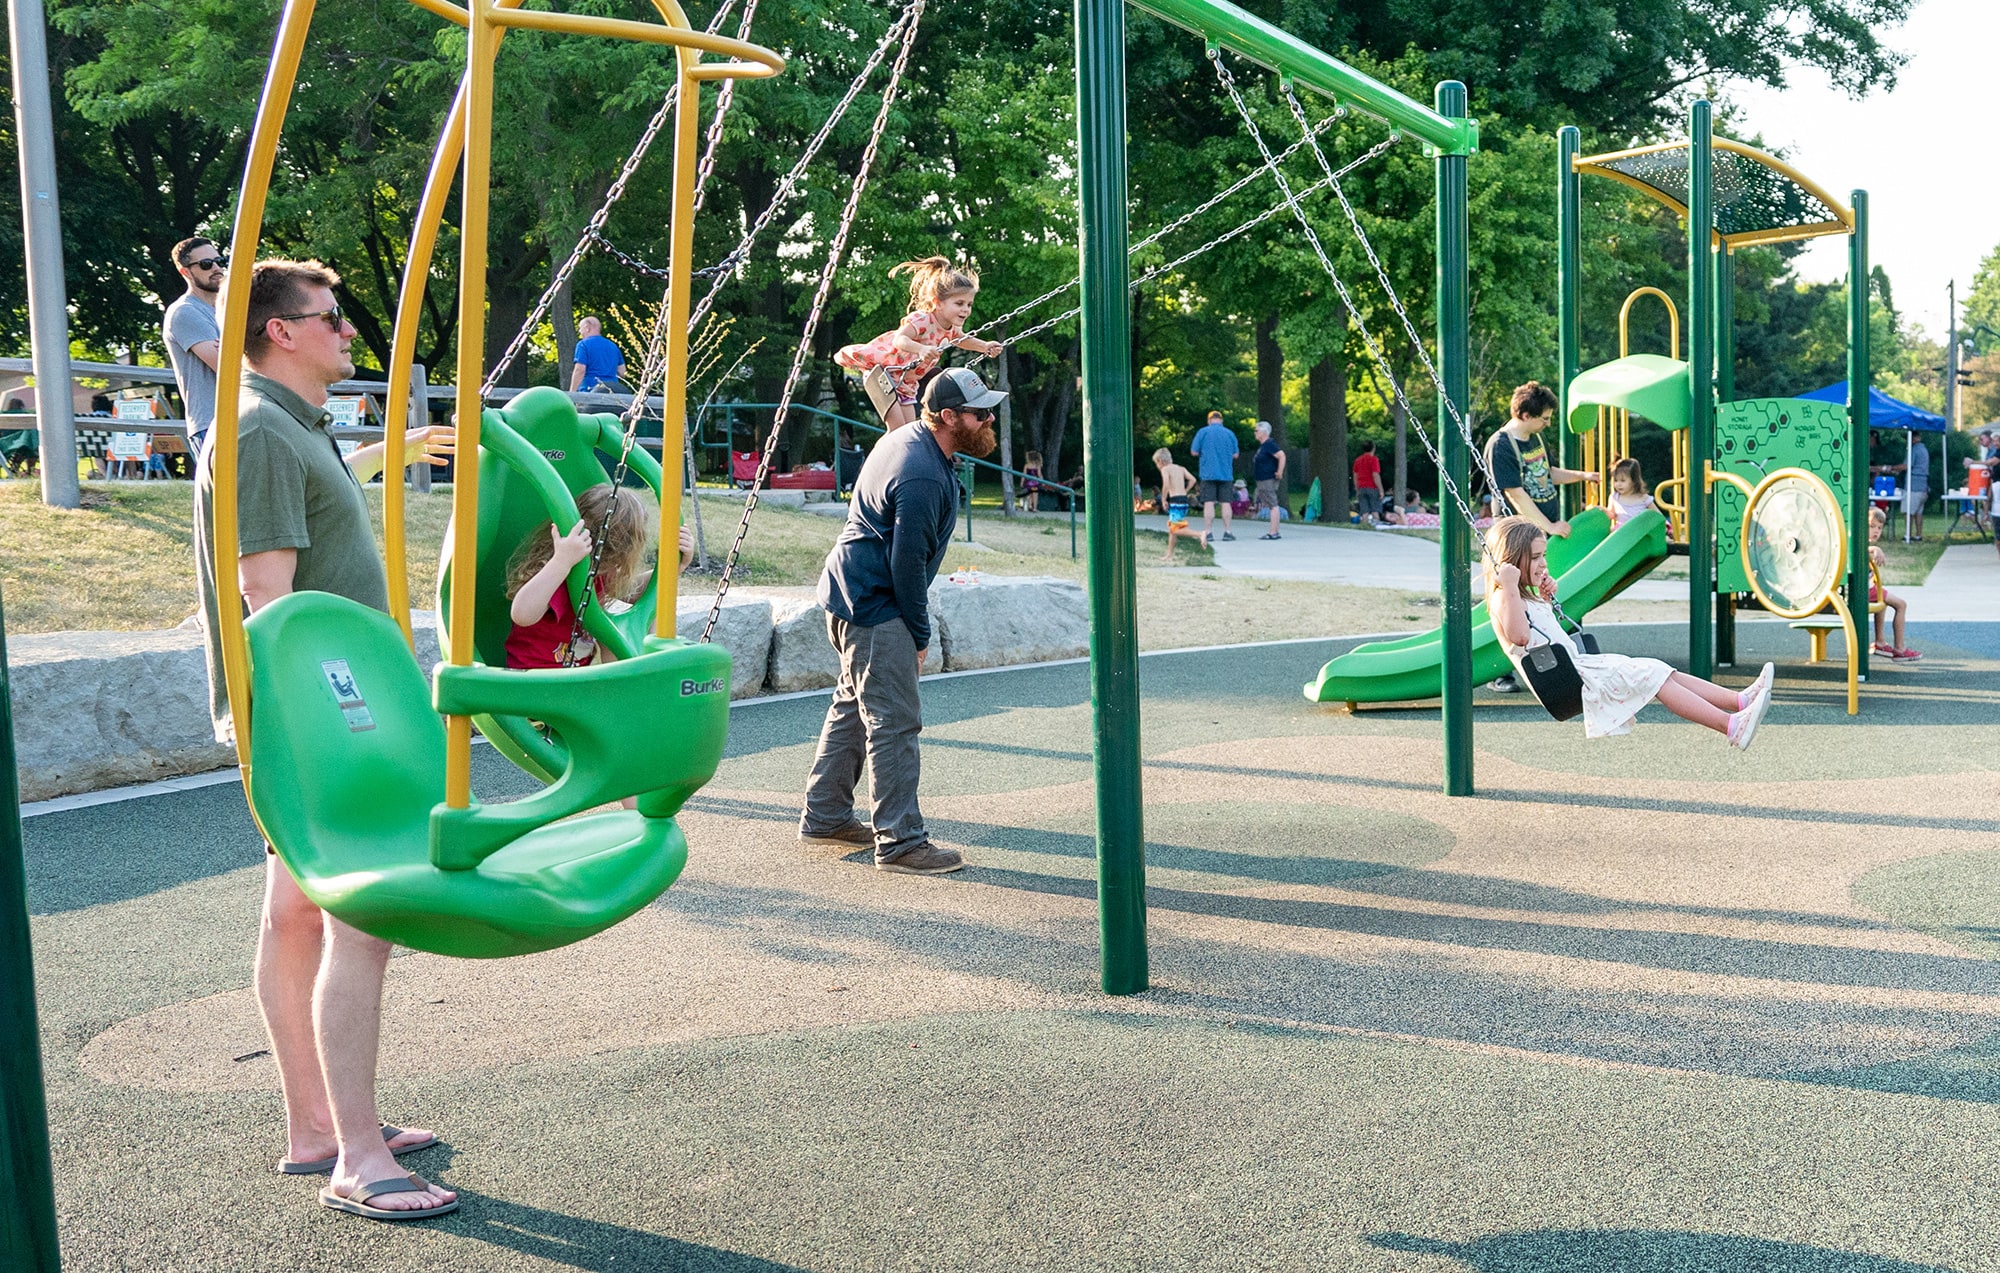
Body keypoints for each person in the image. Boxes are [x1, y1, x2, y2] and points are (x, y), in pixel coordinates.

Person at [191, 259, 459, 1221]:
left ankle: (317, 1125)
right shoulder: (260, 429)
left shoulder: (292, 427)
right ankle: (355, 1153)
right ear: (280, 332)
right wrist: (346, 724)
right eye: (331, 319)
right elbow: (271, 599)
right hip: (316, 721)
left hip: (319, 715)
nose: (350, 333)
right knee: (361, 916)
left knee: (298, 918)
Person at [798, 366, 1004, 873]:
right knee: (894, 721)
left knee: (853, 705)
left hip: (848, 593)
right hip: (876, 604)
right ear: (950, 417)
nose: (989, 418)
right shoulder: (922, 474)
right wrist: (918, 633)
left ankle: (824, 815)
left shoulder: (908, 436)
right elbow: (906, 564)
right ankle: (901, 842)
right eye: (980, 413)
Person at [1486, 517, 1773, 749]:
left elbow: (1546, 632)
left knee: (1661, 671)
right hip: (1574, 680)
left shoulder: (1525, 596)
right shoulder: (1503, 596)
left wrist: (1546, 599)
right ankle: (1731, 726)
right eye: (1535, 557)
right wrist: (1510, 586)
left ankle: (1739, 702)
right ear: (1510, 561)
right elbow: (1520, 637)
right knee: (1654, 678)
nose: (1544, 563)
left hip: (1583, 669)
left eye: (1543, 555)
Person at [1483, 382, 1592, 694]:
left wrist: (1582, 476)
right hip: (1516, 534)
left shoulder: (1535, 438)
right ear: (1526, 414)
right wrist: (1549, 525)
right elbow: (1516, 494)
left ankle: (1558, 658)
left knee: (1539, 598)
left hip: (1538, 532)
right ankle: (1502, 670)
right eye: (1544, 418)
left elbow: (1546, 473)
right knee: (1512, 597)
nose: (1548, 423)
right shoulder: (1502, 444)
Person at [834, 256, 1004, 430]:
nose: (966, 310)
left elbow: (962, 340)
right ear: (938, 303)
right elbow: (899, 339)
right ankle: (881, 457)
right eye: (959, 303)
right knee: (896, 429)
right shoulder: (923, 319)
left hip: (906, 382)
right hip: (884, 372)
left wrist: (984, 346)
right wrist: (921, 349)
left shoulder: (951, 328)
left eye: (969, 304)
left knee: (907, 430)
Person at [504, 483, 656, 669]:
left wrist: (671, 566)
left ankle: (625, 683)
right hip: (534, 678)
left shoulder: (598, 573)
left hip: (574, 679)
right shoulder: (555, 572)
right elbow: (521, 614)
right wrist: (561, 561)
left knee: (613, 636)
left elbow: (632, 590)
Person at [163, 236, 226, 455]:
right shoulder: (185, 312)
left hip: (246, 419)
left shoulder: (229, 312)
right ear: (185, 272)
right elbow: (228, 367)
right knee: (227, 491)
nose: (217, 268)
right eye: (206, 264)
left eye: (219, 260)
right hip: (212, 425)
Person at [1865, 506, 1920, 662]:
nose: (1876, 531)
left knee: (1882, 599)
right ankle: (1900, 649)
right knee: (1901, 604)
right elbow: (1863, 550)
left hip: (1869, 589)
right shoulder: (1862, 545)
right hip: (1865, 591)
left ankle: (1880, 642)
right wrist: (1875, 549)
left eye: (1880, 528)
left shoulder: (1863, 544)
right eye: (1871, 526)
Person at [1190, 410, 1238, 542]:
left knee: (1209, 503)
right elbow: (1235, 454)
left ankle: (1209, 532)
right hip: (1226, 473)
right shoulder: (1230, 434)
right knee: (1226, 503)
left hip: (1208, 473)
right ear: (1221, 420)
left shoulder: (1203, 432)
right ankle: (1227, 532)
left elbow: (1194, 452)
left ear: (1209, 420)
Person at [1154, 447, 1201, 562]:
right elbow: (1193, 480)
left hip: (1175, 502)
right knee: (1172, 529)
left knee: (1175, 529)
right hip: (1183, 501)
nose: (1157, 466)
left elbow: (1165, 484)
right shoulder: (1181, 468)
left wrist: (1164, 499)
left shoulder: (1165, 469)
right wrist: (1186, 490)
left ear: (1160, 461)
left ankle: (1200, 534)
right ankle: (1169, 555)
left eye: (1156, 463)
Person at [569, 316, 626, 393]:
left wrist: (572, 393)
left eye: (580, 328)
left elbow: (580, 370)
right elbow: (622, 372)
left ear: (587, 328)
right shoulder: (613, 346)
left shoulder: (583, 345)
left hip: (590, 391)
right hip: (613, 391)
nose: (579, 331)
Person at [1251, 421, 1287, 539]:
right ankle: (1274, 531)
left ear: (1263, 432)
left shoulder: (1269, 444)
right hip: (1262, 479)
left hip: (1267, 478)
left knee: (1273, 505)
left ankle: (1273, 532)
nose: (1254, 433)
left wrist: (1279, 472)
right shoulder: (1264, 446)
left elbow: (1281, 455)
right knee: (1271, 504)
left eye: (1256, 431)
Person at [1604, 457, 1655, 528]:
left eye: (1623, 480)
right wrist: (1603, 510)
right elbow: (1611, 514)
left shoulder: (1644, 498)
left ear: (1634, 481)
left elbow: (1658, 516)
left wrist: (1667, 528)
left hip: (1639, 532)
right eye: (1616, 480)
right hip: (1621, 532)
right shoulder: (1615, 497)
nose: (1618, 484)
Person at [1903, 434, 1929, 541]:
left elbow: (1906, 466)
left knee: (1908, 511)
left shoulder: (1914, 450)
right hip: (1923, 485)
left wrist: (1891, 467)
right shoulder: (1924, 449)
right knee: (1919, 512)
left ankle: (1908, 535)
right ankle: (1918, 535)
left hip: (1913, 486)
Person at [1352, 439, 1383, 526]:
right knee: (1375, 510)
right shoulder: (1373, 459)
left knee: (1364, 511)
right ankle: (1377, 527)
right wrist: (1380, 490)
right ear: (1373, 448)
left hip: (1361, 487)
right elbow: (1375, 475)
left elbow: (1355, 476)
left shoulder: (1358, 460)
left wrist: (1357, 488)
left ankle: (1364, 527)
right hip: (1372, 487)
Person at [1021, 449, 1044, 513]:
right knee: (1035, 495)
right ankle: (1035, 508)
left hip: (1028, 483)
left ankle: (1029, 505)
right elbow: (1039, 474)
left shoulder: (1026, 465)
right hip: (1035, 483)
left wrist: (1022, 482)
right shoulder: (1037, 465)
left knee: (1029, 494)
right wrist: (1042, 481)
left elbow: (1024, 475)